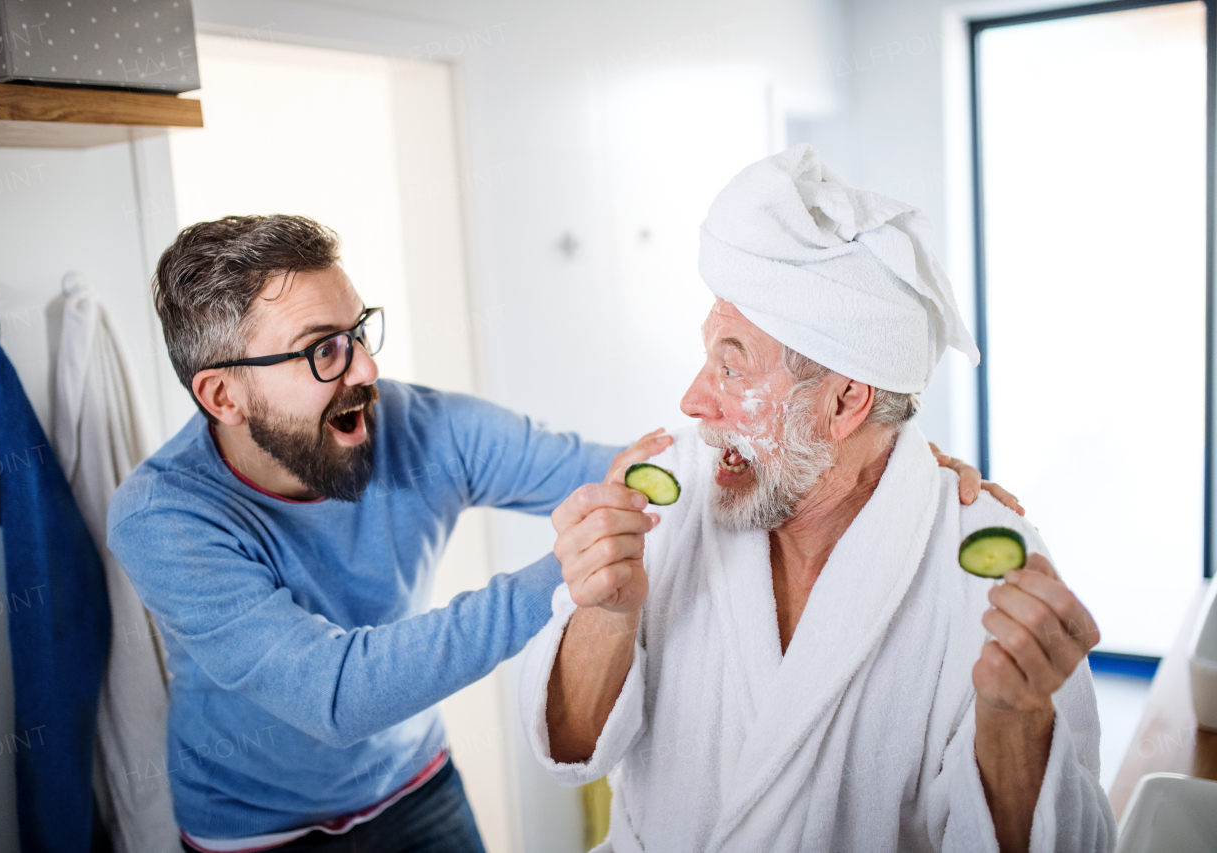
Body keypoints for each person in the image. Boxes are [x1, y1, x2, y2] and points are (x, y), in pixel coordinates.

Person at [108, 213, 1005, 851]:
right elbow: (337, 696)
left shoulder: (422, 426)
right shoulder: (165, 518)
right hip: (253, 825)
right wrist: (578, 576)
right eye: (321, 350)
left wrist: (884, 469)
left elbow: (631, 473)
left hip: (413, 789)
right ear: (222, 394)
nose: (367, 369)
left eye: (359, 331)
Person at [520, 145, 1113, 853]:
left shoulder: (982, 567)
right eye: (708, 355)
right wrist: (605, 613)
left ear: (844, 401)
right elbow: (570, 747)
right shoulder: (665, 497)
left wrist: (1017, 720)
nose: (691, 400)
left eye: (732, 365)